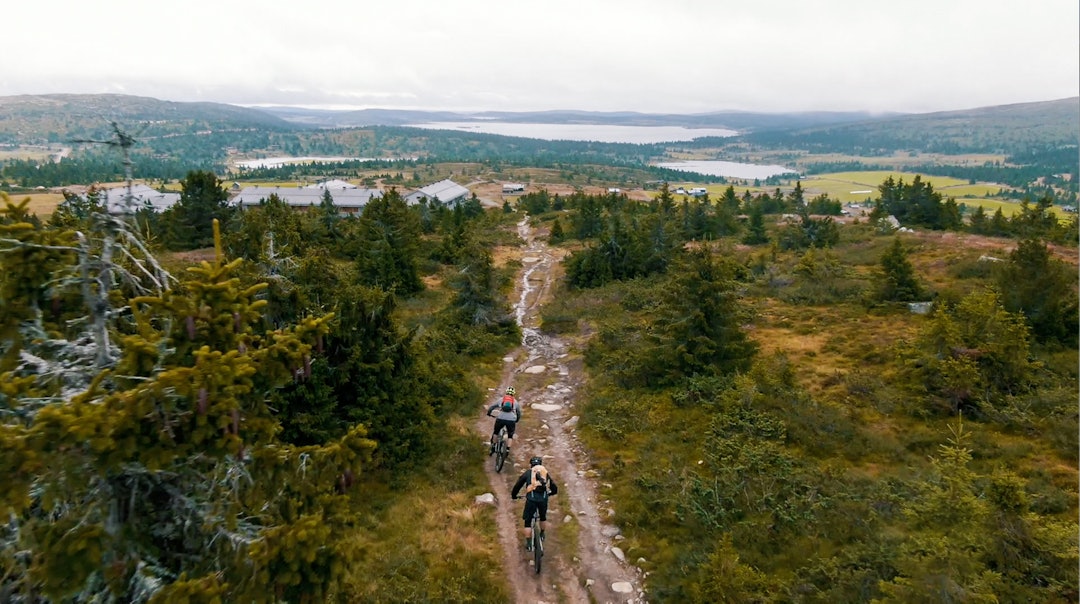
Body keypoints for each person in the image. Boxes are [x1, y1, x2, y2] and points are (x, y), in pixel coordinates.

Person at [511, 456, 558, 551]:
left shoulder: (528, 473)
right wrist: (551, 493)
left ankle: (529, 544)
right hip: (543, 499)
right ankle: (542, 534)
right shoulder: (545, 472)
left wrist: (514, 495)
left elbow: (518, 485)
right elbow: (553, 486)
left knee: (527, 522)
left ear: (531, 464)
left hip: (531, 500)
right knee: (543, 516)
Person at [486, 386, 521, 455]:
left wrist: (489, 413)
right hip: (511, 420)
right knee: (510, 436)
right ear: (513, 394)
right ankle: (507, 450)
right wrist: (517, 419)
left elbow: (492, 407)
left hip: (501, 418)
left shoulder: (501, 399)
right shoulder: (515, 402)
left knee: (496, 432)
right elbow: (518, 413)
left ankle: (493, 447)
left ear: (506, 392)